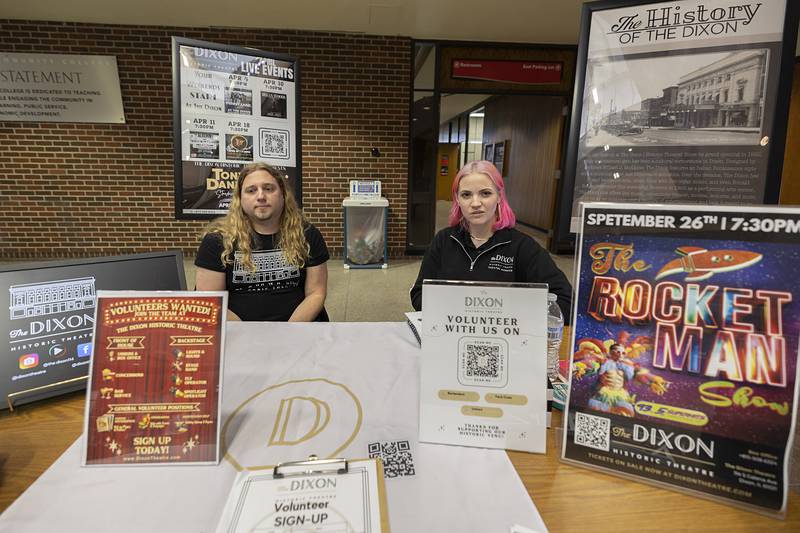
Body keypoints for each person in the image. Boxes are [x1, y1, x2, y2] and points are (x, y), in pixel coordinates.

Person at [409, 160, 572, 321]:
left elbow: (565, 301)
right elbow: (419, 293)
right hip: (452, 335)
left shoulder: (522, 247)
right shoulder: (444, 241)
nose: (475, 203)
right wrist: (460, 315)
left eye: (485, 193)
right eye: (466, 195)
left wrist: (505, 316)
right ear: (457, 200)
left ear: (499, 197)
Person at [195, 162, 329, 321]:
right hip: (240, 332)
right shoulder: (216, 240)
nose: (260, 196)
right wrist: (250, 336)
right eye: (251, 191)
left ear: (282, 194)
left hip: (298, 328)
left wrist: (290, 332)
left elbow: (316, 293)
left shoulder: (307, 234)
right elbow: (211, 303)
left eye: (268, 188)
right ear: (240, 199)